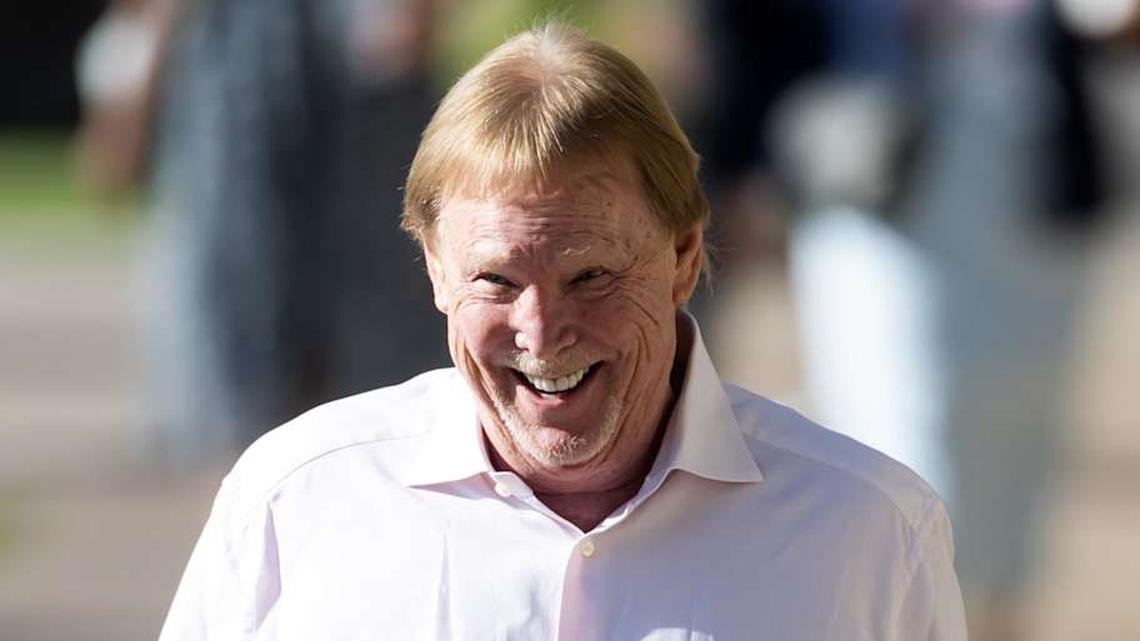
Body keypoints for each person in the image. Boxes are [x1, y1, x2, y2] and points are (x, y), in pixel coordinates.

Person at [159, 23, 966, 640]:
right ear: (435, 269)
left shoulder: (867, 526)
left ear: (684, 256)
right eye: (497, 281)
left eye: (590, 277)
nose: (542, 333)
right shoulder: (294, 502)